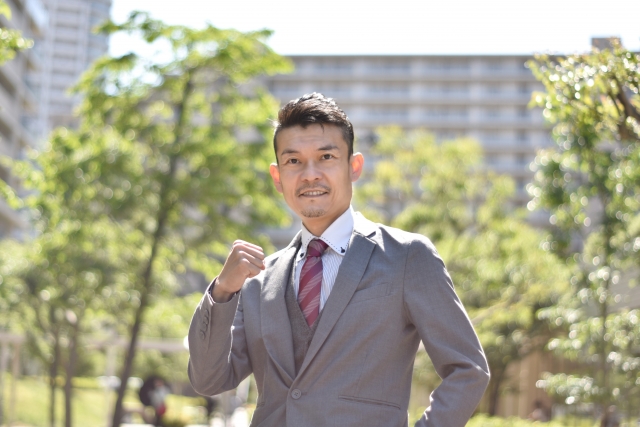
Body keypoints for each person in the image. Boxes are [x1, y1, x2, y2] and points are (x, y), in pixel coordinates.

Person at [187, 93, 490, 426]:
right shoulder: (257, 280)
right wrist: (222, 292)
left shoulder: (407, 257)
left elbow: (468, 370)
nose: (310, 174)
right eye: (293, 161)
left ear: (353, 166)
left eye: (326, 157)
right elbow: (209, 380)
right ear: (277, 177)